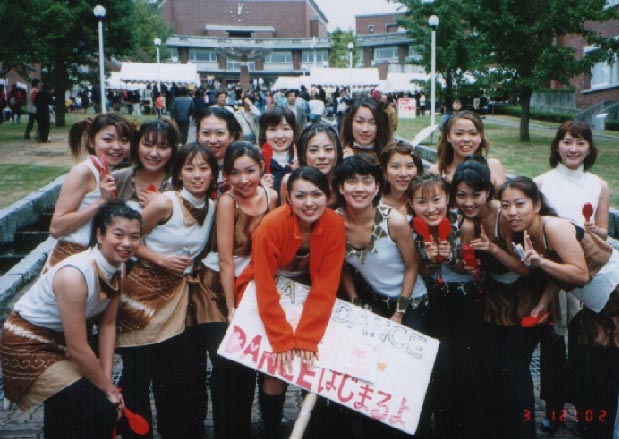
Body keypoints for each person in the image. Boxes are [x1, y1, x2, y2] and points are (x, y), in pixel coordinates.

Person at [0, 200, 142, 439]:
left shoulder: (119, 267)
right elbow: (78, 347)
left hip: (63, 341)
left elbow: (107, 324)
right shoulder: (74, 275)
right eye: (118, 235)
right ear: (99, 235)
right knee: (97, 408)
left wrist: (107, 378)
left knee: (85, 403)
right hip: (28, 342)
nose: (127, 243)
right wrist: (108, 390)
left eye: (134, 237)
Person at [500, 176, 619, 439]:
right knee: (598, 375)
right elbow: (558, 275)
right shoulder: (527, 234)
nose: (512, 212)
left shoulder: (553, 227)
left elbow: (580, 274)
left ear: (537, 205)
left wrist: (541, 263)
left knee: (609, 377)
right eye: (505, 205)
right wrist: (543, 303)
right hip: (598, 306)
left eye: (519, 204)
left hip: (614, 296)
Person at [235, 166, 346, 439]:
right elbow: (263, 286)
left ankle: (314, 427)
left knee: (313, 359)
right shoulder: (270, 226)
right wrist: (282, 338)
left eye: (316, 194)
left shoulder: (334, 224)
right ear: (288, 199)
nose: (309, 203)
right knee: (276, 367)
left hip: (307, 294)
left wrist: (307, 337)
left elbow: (326, 285)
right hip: (264, 291)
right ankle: (272, 428)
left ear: (328, 196)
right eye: (300, 195)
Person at [115, 143, 217, 439]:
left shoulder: (212, 207)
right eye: (189, 168)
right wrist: (161, 259)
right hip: (143, 293)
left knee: (172, 375)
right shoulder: (165, 203)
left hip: (178, 297)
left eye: (204, 168)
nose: (197, 175)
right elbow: (127, 240)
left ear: (213, 173)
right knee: (137, 375)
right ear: (179, 173)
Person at [334, 155, 426, 439]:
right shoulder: (335, 221)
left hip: (412, 302)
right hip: (375, 301)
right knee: (374, 374)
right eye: (351, 181)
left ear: (377, 187)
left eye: (367, 181)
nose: (359, 188)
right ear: (341, 188)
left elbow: (413, 265)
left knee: (404, 378)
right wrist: (354, 300)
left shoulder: (393, 220)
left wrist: (400, 312)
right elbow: (341, 266)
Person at [191, 142, 277, 438]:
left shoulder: (272, 197)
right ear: (225, 175)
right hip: (217, 286)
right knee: (226, 361)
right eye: (235, 173)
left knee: (247, 361)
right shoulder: (228, 202)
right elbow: (226, 259)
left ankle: (241, 427)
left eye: (250, 171)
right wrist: (231, 308)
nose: (244, 180)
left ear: (262, 168)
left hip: (252, 284)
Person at [534, 120, 610, 433]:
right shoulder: (541, 182)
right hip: (553, 271)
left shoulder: (599, 185)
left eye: (580, 143)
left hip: (587, 273)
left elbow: (603, 232)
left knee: (583, 342)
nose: (573, 149)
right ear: (557, 146)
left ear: (589, 148)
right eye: (567, 142)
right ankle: (553, 406)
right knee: (553, 341)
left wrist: (595, 230)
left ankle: (582, 408)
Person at [451, 161, 535, 439]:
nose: (468, 202)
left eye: (476, 195)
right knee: (493, 368)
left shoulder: (504, 217)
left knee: (515, 369)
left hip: (525, 297)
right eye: (461, 195)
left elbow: (525, 269)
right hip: (495, 299)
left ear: (488, 192)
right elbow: (464, 267)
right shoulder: (468, 221)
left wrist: (492, 250)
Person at [48, 113, 133, 266]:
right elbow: (56, 228)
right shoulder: (83, 172)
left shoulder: (104, 171)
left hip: (95, 257)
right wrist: (102, 202)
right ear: (92, 142)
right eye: (108, 140)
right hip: (72, 257)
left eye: (124, 140)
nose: (117, 146)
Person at [112, 119, 179, 213]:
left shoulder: (180, 182)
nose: (154, 154)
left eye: (162, 147)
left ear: (173, 150)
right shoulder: (116, 179)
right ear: (136, 145)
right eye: (147, 145)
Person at [430, 110, 506, 191]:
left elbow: (505, 197)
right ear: (448, 137)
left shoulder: (492, 167)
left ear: (480, 137)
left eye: (473, 133)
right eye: (459, 133)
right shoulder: (438, 170)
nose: (466, 139)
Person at [280, 122, 343, 207]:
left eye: (328, 149)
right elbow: (285, 213)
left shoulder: (346, 181)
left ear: (337, 153)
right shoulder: (289, 182)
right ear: (303, 155)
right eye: (313, 150)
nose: (322, 156)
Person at [196, 106, 242, 194]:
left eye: (220, 133)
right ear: (198, 136)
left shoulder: (243, 168)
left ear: (231, 136)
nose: (212, 140)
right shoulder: (187, 167)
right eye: (206, 133)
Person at [258, 105, 300, 198]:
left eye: (286, 129)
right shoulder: (256, 163)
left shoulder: (303, 160)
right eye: (273, 129)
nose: (280, 136)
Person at [379, 141, 424, 216]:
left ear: (418, 171)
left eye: (409, 166)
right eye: (395, 166)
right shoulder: (372, 201)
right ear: (384, 171)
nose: (403, 174)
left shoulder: (425, 203)